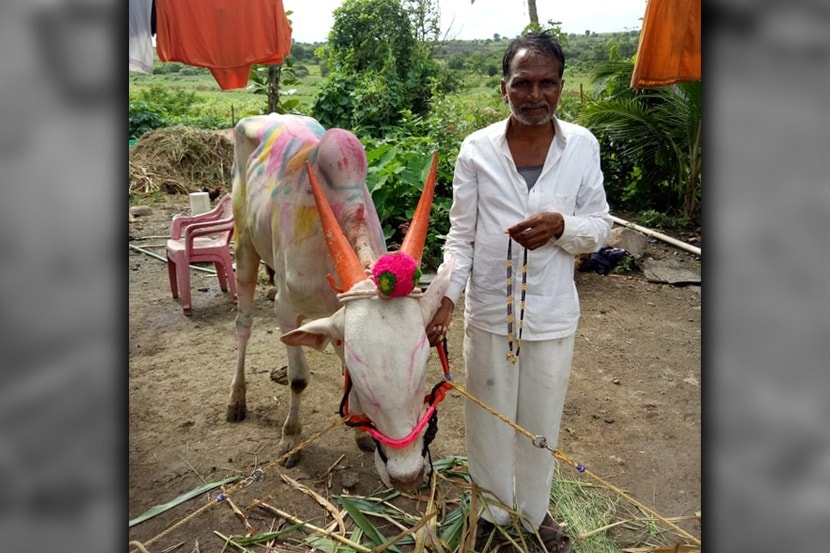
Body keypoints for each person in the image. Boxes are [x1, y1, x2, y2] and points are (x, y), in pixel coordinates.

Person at [426, 31, 612, 552]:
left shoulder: (582, 146)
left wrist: (561, 228)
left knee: (539, 419)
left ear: (561, 85)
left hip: (553, 315)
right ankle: (491, 512)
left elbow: (599, 225)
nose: (536, 94)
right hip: (488, 313)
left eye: (547, 82)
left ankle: (532, 514)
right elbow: (460, 237)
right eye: (523, 82)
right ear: (503, 87)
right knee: (487, 417)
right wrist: (446, 295)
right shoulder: (477, 149)